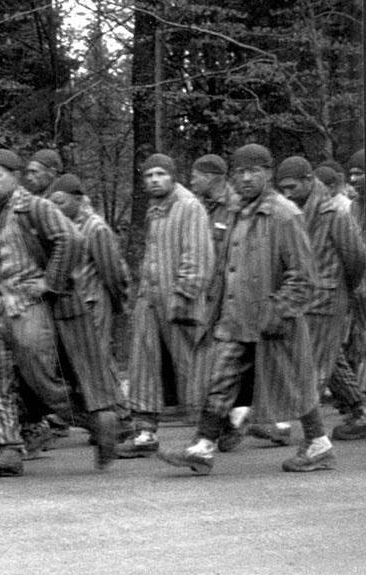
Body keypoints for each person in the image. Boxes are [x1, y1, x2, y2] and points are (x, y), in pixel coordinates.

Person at [158, 144, 332, 474]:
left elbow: (304, 276)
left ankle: (318, 443)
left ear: (269, 174)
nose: (246, 178)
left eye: (254, 171)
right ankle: (203, 446)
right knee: (221, 378)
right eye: (239, 172)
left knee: (296, 382)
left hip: (275, 320)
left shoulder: (283, 214)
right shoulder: (238, 211)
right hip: (237, 319)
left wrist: (277, 310)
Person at [0, 150, 93, 477]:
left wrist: (50, 284)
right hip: (3, 309)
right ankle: (7, 451)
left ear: (15, 175)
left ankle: (99, 421)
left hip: (31, 309)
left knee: (44, 384)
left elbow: (70, 238)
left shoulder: (34, 206)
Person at [117, 153, 213, 458]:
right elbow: (153, 255)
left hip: (180, 300)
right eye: (149, 176)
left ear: (173, 176)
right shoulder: (155, 209)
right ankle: (144, 432)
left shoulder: (189, 206)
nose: (154, 180)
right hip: (151, 299)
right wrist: (143, 294)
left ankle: (211, 429)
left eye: (160, 174)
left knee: (192, 367)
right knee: (143, 364)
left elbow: (198, 256)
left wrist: (185, 294)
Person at [275, 157, 366, 442]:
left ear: (307, 180)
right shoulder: (293, 211)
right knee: (331, 358)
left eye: (292, 187)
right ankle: (358, 412)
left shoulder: (333, 212)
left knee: (311, 365)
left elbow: (355, 257)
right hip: (305, 298)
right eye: (283, 189)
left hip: (328, 298)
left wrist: (341, 290)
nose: (287, 193)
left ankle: (309, 437)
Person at [46, 174, 130, 455]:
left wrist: (118, 304)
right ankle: (111, 418)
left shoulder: (95, 228)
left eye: (61, 202)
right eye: (52, 203)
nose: (55, 208)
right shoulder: (63, 227)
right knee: (85, 365)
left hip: (94, 303)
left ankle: (122, 418)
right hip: (74, 307)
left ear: (78, 199)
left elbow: (113, 271)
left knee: (99, 361)